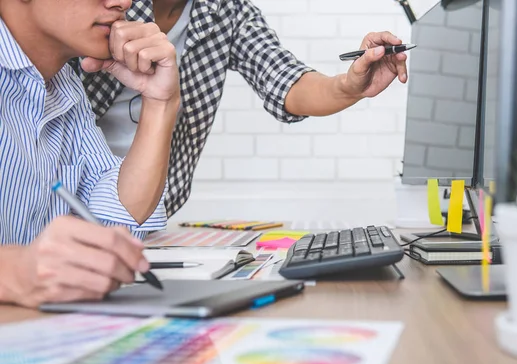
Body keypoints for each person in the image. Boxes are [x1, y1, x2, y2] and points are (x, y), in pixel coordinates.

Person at [72, 0, 409, 217]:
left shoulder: (227, 11)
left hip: (151, 209)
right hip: (73, 199)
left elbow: (285, 80)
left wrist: (349, 85)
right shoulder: (103, 7)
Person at [0, 0, 180, 308]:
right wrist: (15, 272)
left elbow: (114, 219)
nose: (124, 2)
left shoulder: (64, 86)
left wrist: (161, 103)